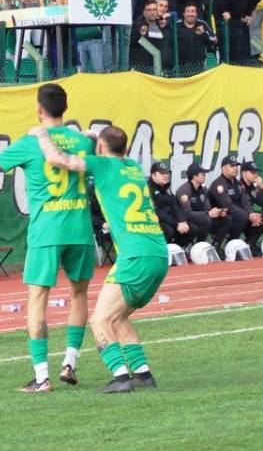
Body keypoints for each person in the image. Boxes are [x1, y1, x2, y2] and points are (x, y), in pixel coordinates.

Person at [0, 83, 95, 393]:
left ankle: (42, 376)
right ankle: (70, 361)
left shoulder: (31, 142)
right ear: (65, 109)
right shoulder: (83, 141)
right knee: (79, 294)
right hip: (80, 228)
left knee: (37, 299)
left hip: (46, 230)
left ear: (39, 109)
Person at [32, 124, 167, 393]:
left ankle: (120, 377)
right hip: (158, 253)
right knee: (119, 318)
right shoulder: (133, 167)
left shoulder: (102, 165)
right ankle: (142, 373)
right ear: (125, 149)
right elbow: (109, 150)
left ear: (101, 149)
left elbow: (57, 159)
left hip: (135, 257)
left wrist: (42, 135)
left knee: (99, 320)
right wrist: (95, 138)